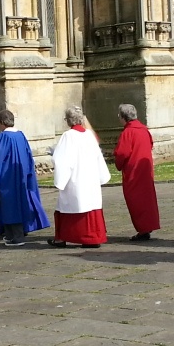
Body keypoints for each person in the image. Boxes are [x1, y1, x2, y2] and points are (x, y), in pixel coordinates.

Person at [0, 109, 49, 246]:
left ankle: (17, 236)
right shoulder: (21, 135)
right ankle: (10, 235)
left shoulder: (2, 137)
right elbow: (29, 156)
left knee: (10, 206)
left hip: (8, 177)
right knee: (18, 203)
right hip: (21, 175)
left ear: (2, 122)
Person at [47, 106, 110, 248]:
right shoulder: (89, 135)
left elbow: (61, 160)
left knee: (68, 206)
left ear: (68, 120)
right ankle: (92, 238)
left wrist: (59, 174)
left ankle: (62, 238)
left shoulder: (68, 136)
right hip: (90, 179)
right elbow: (98, 157)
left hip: (75, 179)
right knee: (90, 205)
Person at [113, 103, 160, 241]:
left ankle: (143, 229)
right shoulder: (144, 129)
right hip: (145, 170)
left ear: (123, 117)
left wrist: (117, 160)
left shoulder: (128, 132)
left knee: (136, 201)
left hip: (133, 172)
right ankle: (147, 226)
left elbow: (122, 153)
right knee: (147, 199)